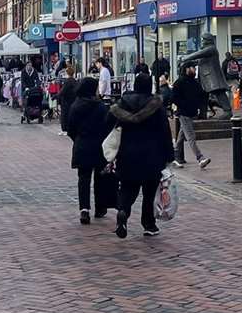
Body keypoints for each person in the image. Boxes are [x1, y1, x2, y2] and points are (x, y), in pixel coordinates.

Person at [109, 71, 171, 239]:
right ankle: (149, 224)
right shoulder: (156, 106)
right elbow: (165, 131)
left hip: (127, 154)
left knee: (127, 188)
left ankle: (123, 211)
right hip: (152, 154)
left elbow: (112, 128)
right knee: (149, 191)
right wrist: (169, 155)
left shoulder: (121, 105)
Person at [68, 77, 113, 225]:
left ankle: (84, 209)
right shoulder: (100, 107)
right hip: (98, 146)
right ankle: (100, 207)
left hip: (82, 145)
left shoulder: (75, 106)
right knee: (100, 178)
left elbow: (70, 129)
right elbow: (107, 127)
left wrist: (78, 139)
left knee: (83, 178)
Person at [170, 65, 211, 168]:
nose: (194, 69)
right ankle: (200, 158)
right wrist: (183, 105)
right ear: (187, 69)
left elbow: (201, 95)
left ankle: (172, 157)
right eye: (192, 67)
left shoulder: (194, 82)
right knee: (191, 136)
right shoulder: (180, 82)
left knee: (181, 137)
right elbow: (174, 97)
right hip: (183, 113)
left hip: (191, 113)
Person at [57, 63, 79, 137]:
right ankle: (68, 129)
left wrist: (56, 96)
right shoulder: (74, 81)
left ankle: (65, 129)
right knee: (69, 115)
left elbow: (63, 91)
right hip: (72, 100)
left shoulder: (67, 81)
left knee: (64, 115)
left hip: (66, 101)